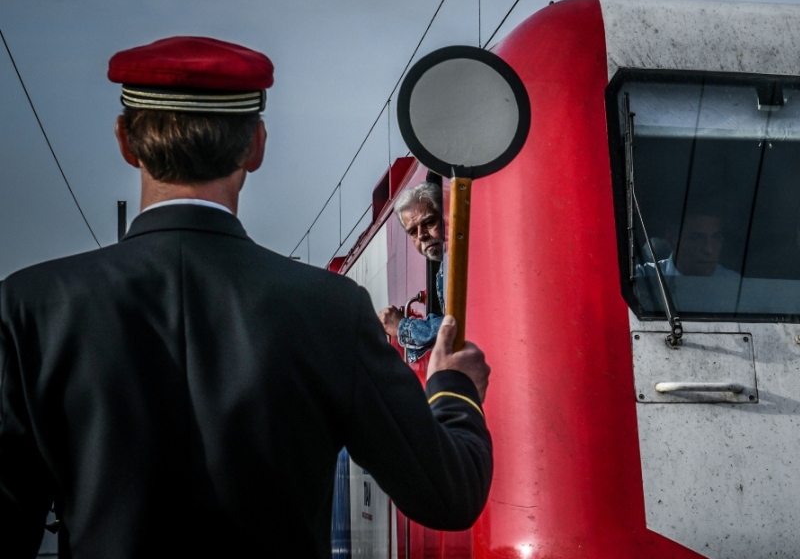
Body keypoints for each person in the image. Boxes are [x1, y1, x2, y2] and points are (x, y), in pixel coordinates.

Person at [0, 37, 492, 558]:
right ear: (256, 145)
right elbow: (449, 495)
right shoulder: (330, 309)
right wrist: (452, 388)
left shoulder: (30, 308)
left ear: (125, 140)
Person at [378, 181, 446, 363]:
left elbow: (462, 325)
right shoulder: (442, 271)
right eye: (413, 232)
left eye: (429, 222)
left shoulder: (462, 262)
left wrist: (402, 326)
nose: (422, 235)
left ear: (446, 217)